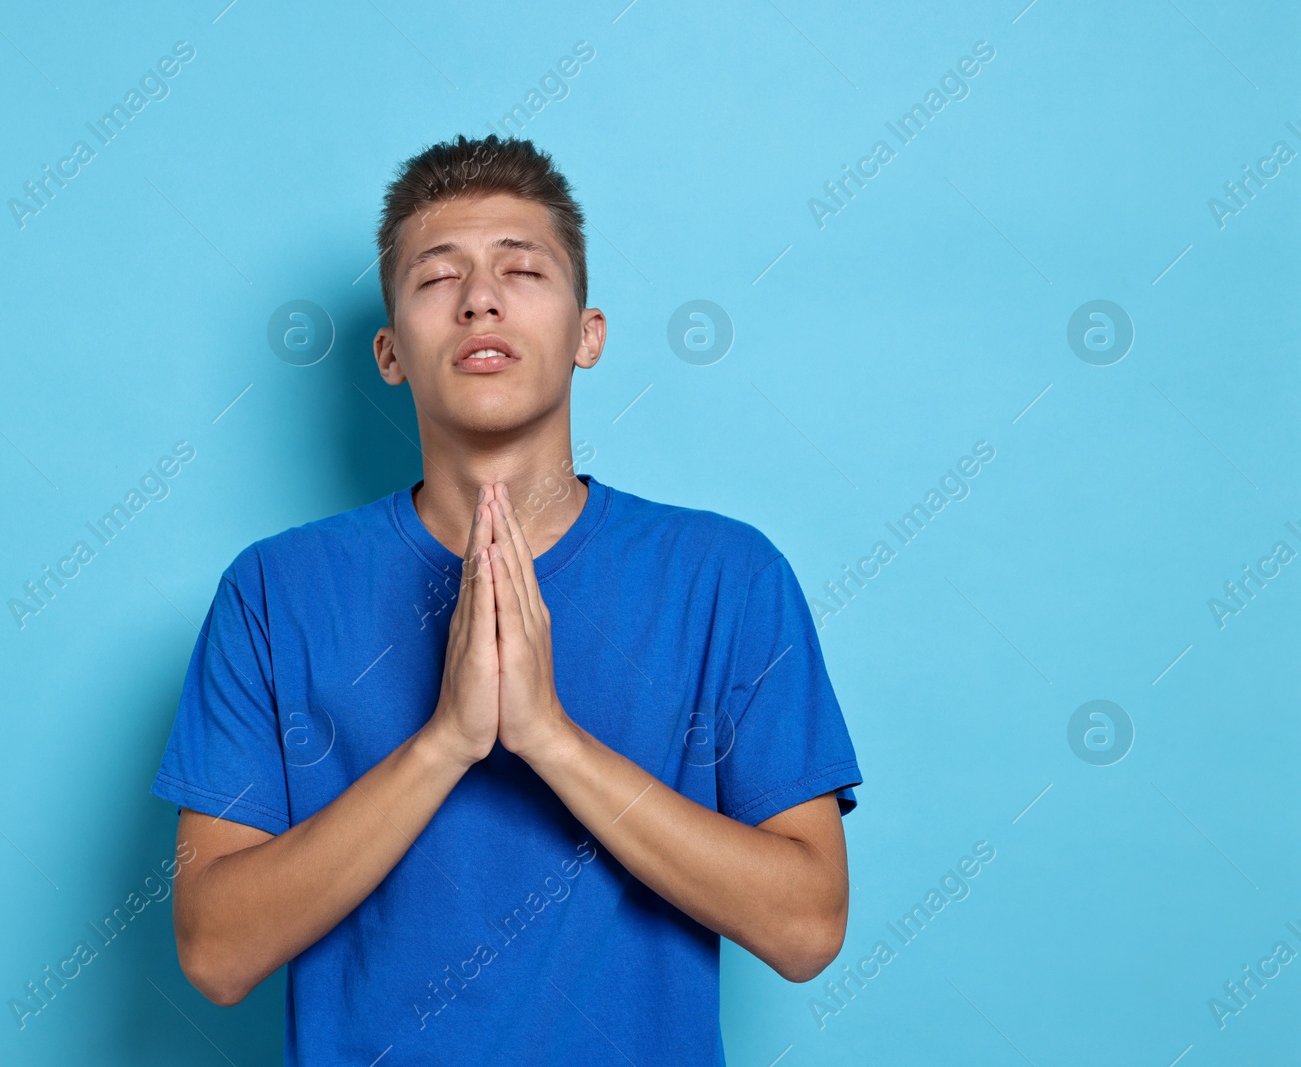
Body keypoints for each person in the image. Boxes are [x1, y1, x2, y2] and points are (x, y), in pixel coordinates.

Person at [150, 132, 863, 1065]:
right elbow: (214, 949)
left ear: (587, 334)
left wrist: (549, 737)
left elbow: (808, 926)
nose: (479, 297)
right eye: (436, 278)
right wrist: (446, 739)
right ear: (390, 351)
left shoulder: (727, 576)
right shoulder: (273, 592)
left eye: (521, 269)